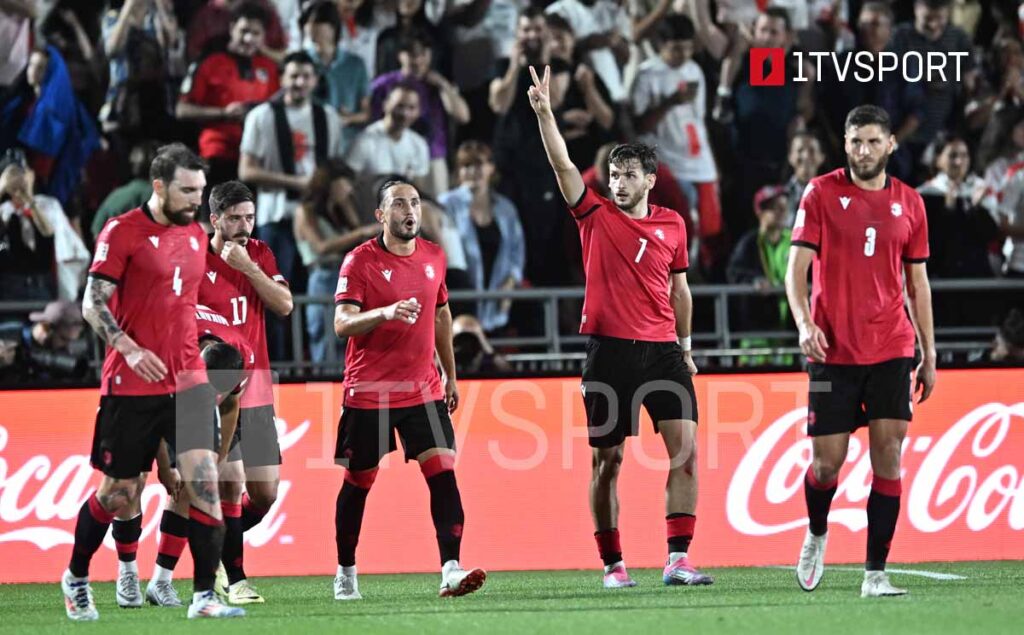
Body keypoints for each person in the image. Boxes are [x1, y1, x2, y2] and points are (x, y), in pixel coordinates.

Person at [528, 65, 712, 588]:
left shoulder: (673, 224)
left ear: (650, 179)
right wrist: (546, 115)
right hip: (608, 351)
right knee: (607, 462)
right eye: (614, 174)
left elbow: (680, 290)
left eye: (629, 174)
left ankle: (677, 560)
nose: (619, 181)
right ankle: (613, 565)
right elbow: (563, 165)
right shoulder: (594, 215)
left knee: (687, 452)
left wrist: (687, 346)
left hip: (663, 353)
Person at [61, 143, 243, 620]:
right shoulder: (122, 231)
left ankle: (203, 595)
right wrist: (128, 346)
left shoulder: (196, 235)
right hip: (132, 384)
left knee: (203, 483)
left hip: (188, 380)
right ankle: (76, 575)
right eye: (186, 191)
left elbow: (182, 302)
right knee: (119, 493)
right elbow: (92, 303)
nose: (195, 201)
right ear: (159, 186)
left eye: (200, 191)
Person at [786, 105, 936, 598]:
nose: (864, 151)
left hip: (892, 345)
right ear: (845, 144)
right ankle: (817, 531)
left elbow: (918, 283)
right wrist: (805, 323)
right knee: (827, 464)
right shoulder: (821, 193)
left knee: (888, 457)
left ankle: (875, 573)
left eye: (873, 142)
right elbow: (796, 271)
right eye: (856, 142)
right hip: (832, 350)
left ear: (891, 144)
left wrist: (929, 353)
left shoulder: (911, 203)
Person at [332, 179, 486, 600]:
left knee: (443, 473)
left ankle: (451, 569)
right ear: (380, 215)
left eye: (415, 202)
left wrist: (450, 375)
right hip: (370, 390)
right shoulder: (359, 262)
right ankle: (346, 571)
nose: (409, 211)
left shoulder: (435, 256)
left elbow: (441, 316)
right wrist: (385, 312)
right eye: (399, 204)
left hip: (423, 389)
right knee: (359, 482)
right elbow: (342, 323)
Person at [199, 180, 294, 604]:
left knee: (265, 494)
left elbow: (285, 305)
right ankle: (235, 578)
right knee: (229, 480)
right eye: (235, 218)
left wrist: (247, 267)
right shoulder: (193, 256)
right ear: (215, 219)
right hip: (211, 388)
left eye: (249, 217)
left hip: (255, 386)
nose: (244, 226)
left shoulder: (259, 253)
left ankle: (214, 547)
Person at [144, 305, 254, 608]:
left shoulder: (237, 358)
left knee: (217, 480)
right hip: (144, 394)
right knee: (171, 486)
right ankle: (146, 577)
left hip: (194, 399)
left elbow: (230, 407)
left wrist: (217, 459)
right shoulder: (172, 351)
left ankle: (222, 580)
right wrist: (166, 468)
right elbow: (155, 413)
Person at [177, 1, 280, 189]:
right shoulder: (210, 63)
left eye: (256, 34)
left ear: (264, 37)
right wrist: (223, 113)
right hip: (218, 154)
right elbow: (182, 110)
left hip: (257, 159)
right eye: (244, 31)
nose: (248, 39)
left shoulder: (269, 68)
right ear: (232, 28)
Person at [294, 159, 379, 363]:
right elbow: (321, 247)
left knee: (349, 333)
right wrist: (362, 231)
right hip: (323, 276)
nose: (348, 189)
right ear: (329, 183)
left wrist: (347, 210)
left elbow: (359, 240)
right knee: (324, 335)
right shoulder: (305, 212)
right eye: (344, 183)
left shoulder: (340, 209)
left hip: (347, 277)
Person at [438, 140, 525, 333]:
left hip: (497, 306)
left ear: (491, 168)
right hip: (457, 301)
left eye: (478, 164)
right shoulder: (446, 204)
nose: (472, 171)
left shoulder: (506, 208)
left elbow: (516, 253)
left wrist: (510, 284)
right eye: (466, 166)